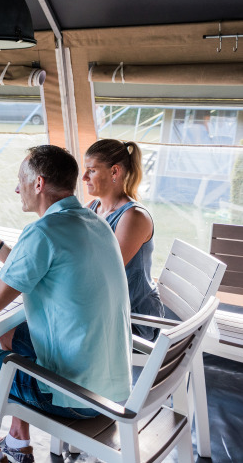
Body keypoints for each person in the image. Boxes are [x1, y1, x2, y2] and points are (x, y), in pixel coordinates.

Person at [0, 145, 131, 463]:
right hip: (114, 388)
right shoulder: (95, 221)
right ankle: (18, 442)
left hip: (76, 398)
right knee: (11, 335)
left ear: (39, 183)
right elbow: (35, 265)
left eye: (20, 180)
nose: (17, 189)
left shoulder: (42, 232)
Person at [83, 139, 164, 340]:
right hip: (106, 307)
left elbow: (105, 273)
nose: (84, 177)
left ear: (114, 172)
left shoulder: (133, 217)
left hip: (134, 318)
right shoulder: (93, 207)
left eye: (91, 170)